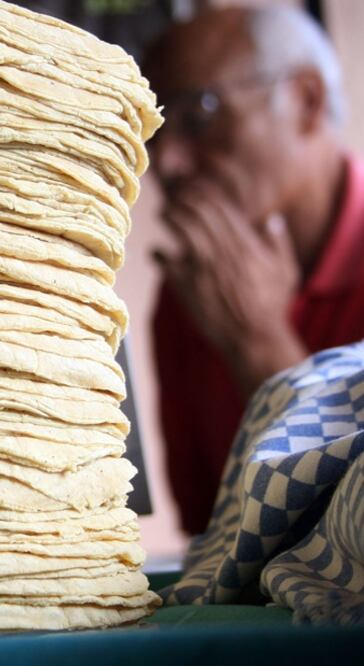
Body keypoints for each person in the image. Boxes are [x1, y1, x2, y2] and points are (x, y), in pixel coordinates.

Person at [145, 6, 364, 535]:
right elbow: (211, 533)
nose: (167, 164)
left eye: (199, 115)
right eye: (152, 135)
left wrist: (259, 343)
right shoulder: (185, 297)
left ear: (306, 99)